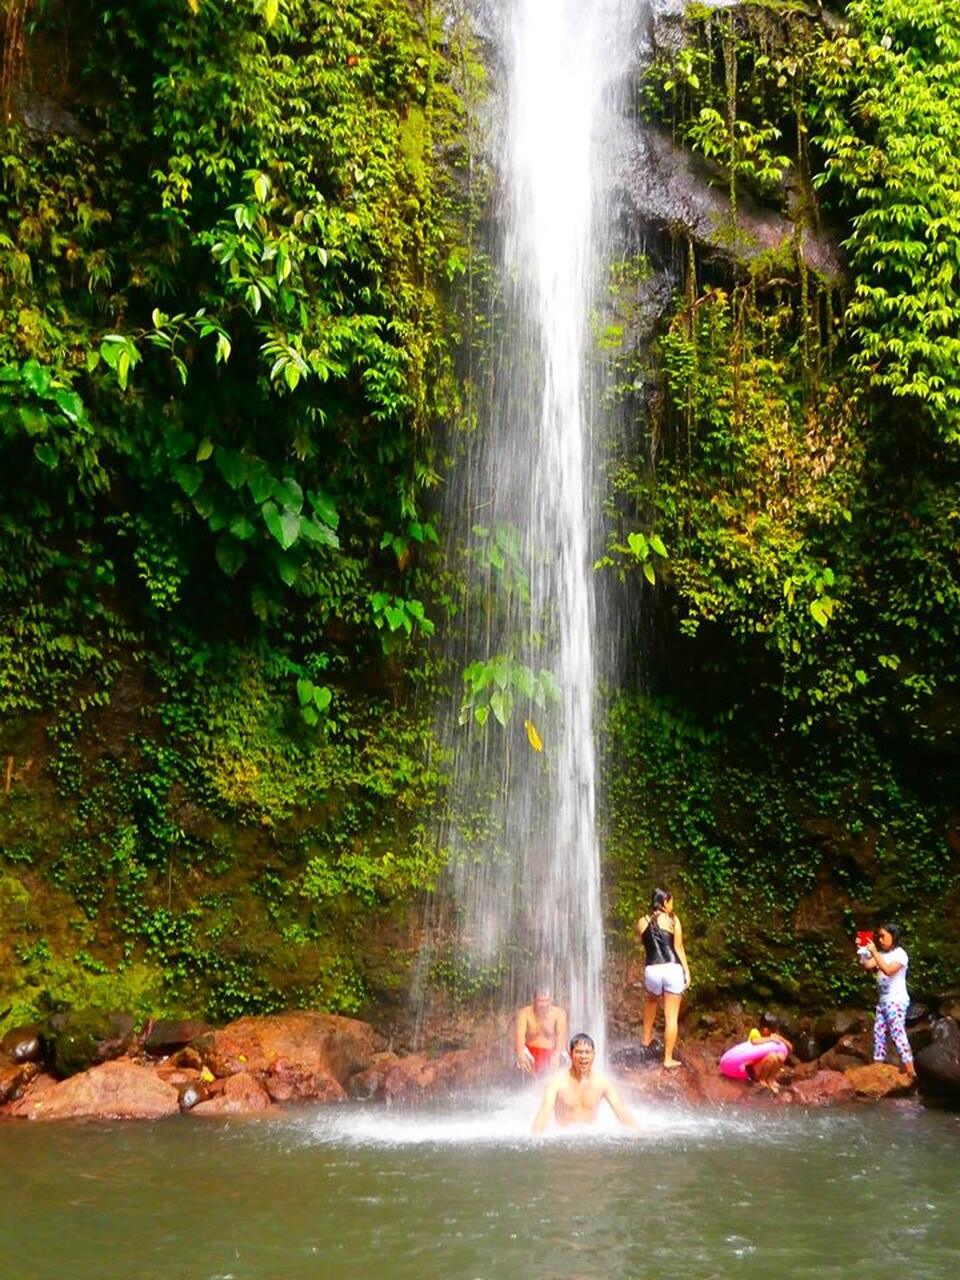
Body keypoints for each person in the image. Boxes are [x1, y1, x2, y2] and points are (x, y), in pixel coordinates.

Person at [532, 1033, 637, 1132]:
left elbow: (621, 1112)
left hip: (590, 1142)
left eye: (587, 1052)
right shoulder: (557, 1083)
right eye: (579, 1052)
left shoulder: (602, 1083)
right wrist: (534, 1140)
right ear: (570, 1054)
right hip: (565, 1141)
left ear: (593, 1055)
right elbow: (543, 1113)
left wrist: (638, 1133)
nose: (583, 1056)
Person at [635, 887, 690, 1068]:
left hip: (652, 969)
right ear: (665, 901)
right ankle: (667, 1059)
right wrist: (686, 972)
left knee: (651, 1000)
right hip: (672, 968)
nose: (672, 906)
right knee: (671, 1017)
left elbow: (646, 943)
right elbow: (679, 948)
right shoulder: (673, 920)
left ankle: (645, 1039)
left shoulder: (642, 921)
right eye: (671, 902)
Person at [860, 922, 916, 1080]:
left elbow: (888, 970)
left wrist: (874, 953)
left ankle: (910, 1069)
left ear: (894, 936)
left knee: (897, 1033)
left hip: (896, 1000)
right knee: (878, 1032)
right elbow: (866, 965)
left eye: (883, 936)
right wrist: (864, 950)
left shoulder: (900, 954)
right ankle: (877, 1067)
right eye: (879, 936)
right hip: (884, 1001)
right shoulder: (882, 954)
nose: (880, 940)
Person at [719, 1012, 793, 1094]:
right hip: (751, 1067)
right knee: (772, 1056)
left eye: (774, 1030)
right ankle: (762, 1080)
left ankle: (771, 1079)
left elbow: (789, 1048)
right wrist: (770, 1039)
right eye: (772, 1030)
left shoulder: (773, 1035)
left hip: (762, 1065)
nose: (774, 1032)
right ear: (765, 1029)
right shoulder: (755, 1032)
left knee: (780, 1056)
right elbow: (754, 1041)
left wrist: (781, 1039)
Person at [515, 986, 568, 1075]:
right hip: (530, 1051)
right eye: (540, 1001)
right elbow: (519, 1036)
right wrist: (520, 1053)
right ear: (534, 1001)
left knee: (563, 1062)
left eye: (546, 1000)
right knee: (520, 1063)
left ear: (550, 1000)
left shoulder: (559, 1014)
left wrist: (557, 1055)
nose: (543, 1004)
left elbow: (561, 1037)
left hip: (552, 1051)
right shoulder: (524, 1013)